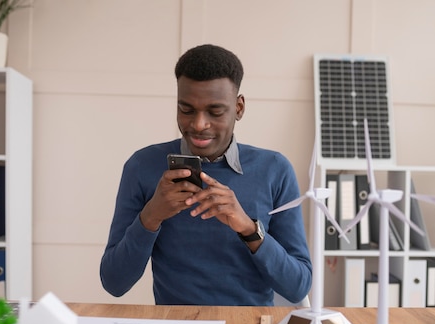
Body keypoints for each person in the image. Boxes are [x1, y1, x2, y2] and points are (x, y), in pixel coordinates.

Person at [100, 44, 312, 305]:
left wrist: (247, 227)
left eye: (215, 111)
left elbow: (298, 286)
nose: (199, 124)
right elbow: (113, 282)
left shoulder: (275, 170)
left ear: (239, 107)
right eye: (186, 110)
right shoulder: (142, 166)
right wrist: (152, 214)